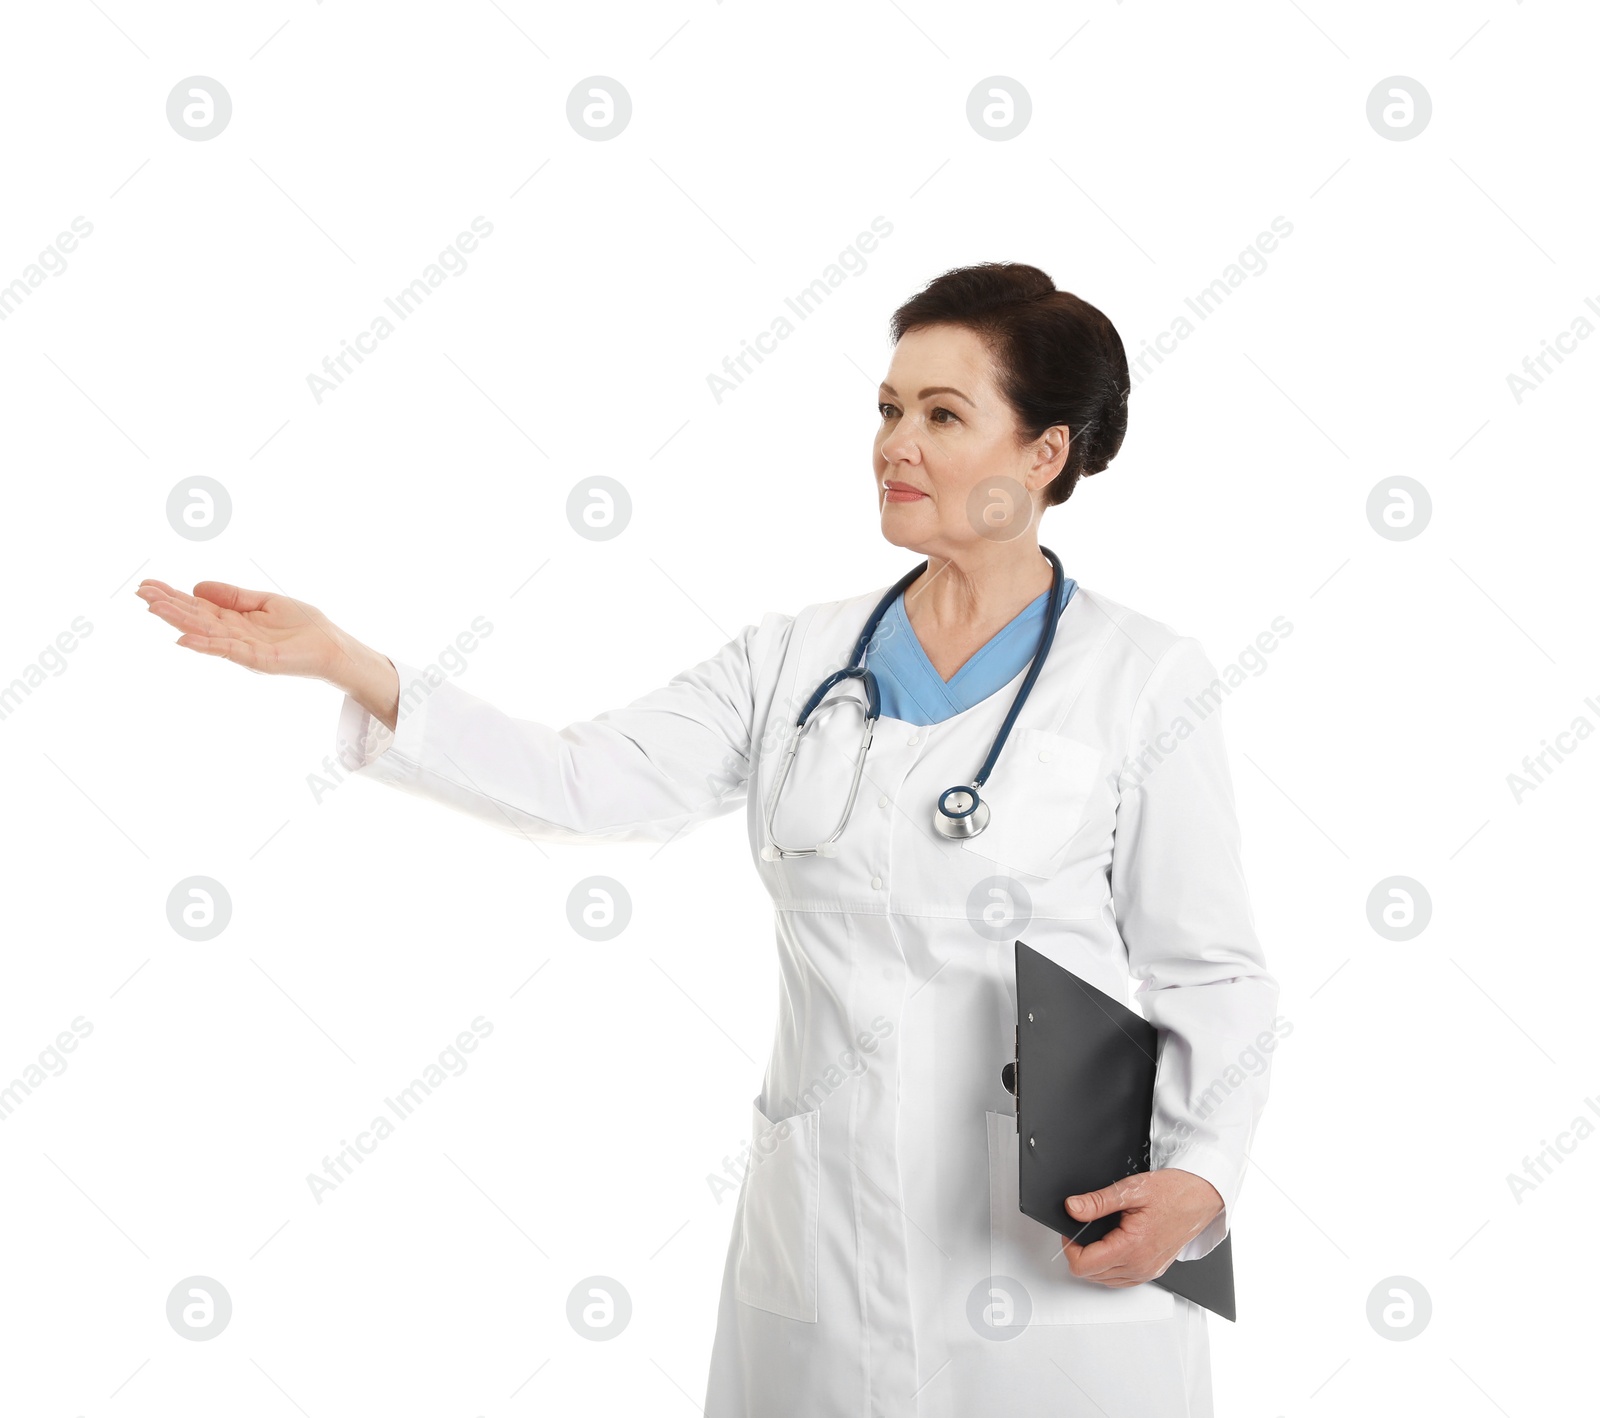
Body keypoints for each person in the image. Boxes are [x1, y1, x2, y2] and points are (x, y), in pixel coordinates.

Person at [137, 262, 1277, 1416]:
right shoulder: (793, 659)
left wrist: (1195, 1176)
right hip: (828, 1225)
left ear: (1045, 453)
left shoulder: (1141, 678)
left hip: (1057, 1245)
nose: (896, 445)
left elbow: (1210, 966)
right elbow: (582, 781)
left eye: (942, 414)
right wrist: (352, 663)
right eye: (887, 409)